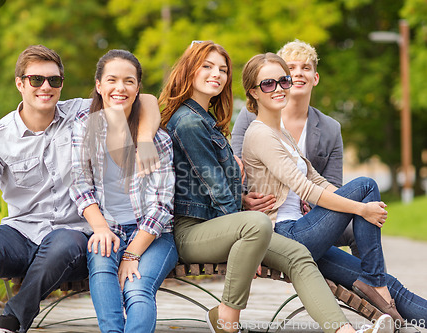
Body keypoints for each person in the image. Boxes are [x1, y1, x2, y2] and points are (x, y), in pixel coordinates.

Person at [159, 41, 392, 333]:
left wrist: (243, 204)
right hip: (193, 231)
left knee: (298, 255)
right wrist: (245, 238)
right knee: (257, 225)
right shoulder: (190, 123)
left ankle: (343, 331)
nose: (216, 74)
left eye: (222, 69)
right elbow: (216, 189)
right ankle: (227, 322)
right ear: (189, 69)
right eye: (207, 66)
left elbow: (217, 188)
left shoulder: (208, 120)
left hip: (225, 226)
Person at [0, 45, 161, 333]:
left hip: (78, 240)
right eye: (36, 79)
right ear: (20, 84)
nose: (46, 87)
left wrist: (145, 138)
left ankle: (13, 319)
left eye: (54, 80)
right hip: (22, 235)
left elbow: (144, 99)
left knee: (63, 241)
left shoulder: (81, 113)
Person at [241, 52, 427, 325]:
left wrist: (357, 207)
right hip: (284, 236)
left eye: (283, 80)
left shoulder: (281, 133)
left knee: (392, 284)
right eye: (268, 84)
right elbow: (305, 189)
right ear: (254, 92)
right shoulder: (260, 134)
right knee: (365, 185)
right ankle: (374, 283)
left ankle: (376, 284)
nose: (279, 88)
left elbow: (317, 180)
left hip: (302, 235)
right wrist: (361, 208)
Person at [69, 49, 178, 333]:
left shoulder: (158, 140)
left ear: (138, 88)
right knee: (102, 263)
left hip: (153, 236)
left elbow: (162, 207)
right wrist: (102, 230)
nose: (120, 88)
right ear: (99, 85)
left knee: (137, 289)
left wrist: (131, 254)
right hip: (109, 228)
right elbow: (81, 187)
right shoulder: (84, 130)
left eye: (129, 81)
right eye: (112, 80)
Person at [231, 39, 357, 257]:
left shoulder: (330, 128)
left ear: (315, 78)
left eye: (306, 68)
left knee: (359, 223)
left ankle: (371, 282)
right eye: (291, 68)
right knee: (364, 194)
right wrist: (242, 199)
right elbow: (234, 168)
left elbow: (333, 184)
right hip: (266, 218)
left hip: (312, 215)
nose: (298, 73)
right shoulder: (251, 117)